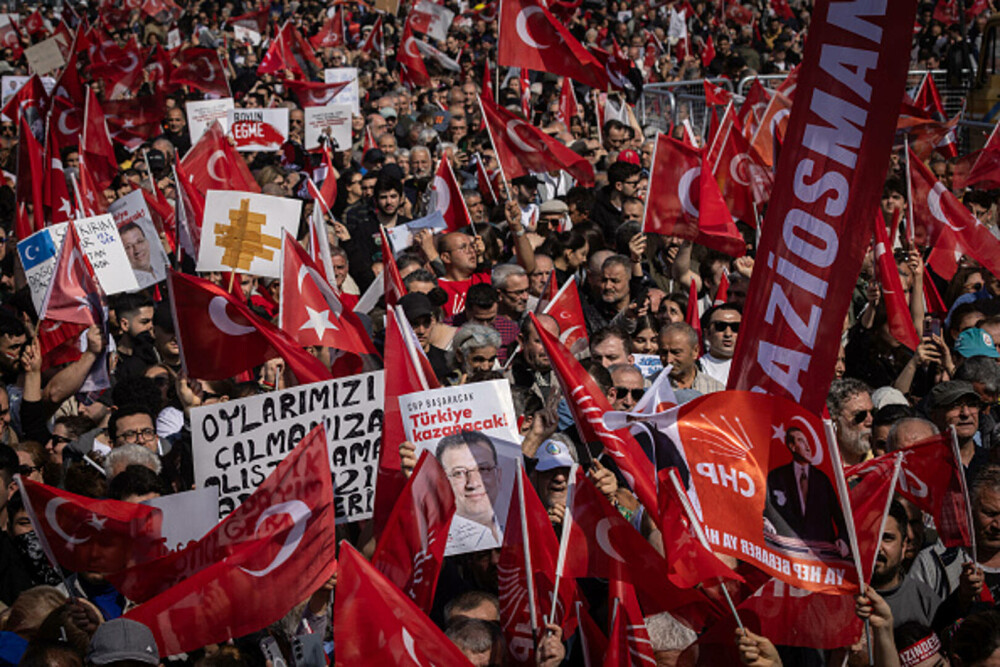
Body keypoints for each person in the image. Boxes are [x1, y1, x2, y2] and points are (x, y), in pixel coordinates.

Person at [763, 426, 850, 559]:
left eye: (808, 442)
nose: (808, 448)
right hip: (787, 557)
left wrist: (843, 540)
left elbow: (839, 517)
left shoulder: (822, 479)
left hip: (821, 559)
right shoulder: (776, 477)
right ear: (792, 446)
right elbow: (764, 511)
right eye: (802, 442)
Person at [436, 431, 504, 551]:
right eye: (458, 473)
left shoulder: (516, 528)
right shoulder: (437, 547)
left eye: (483, 469)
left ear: (498, 476)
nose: (473, 483)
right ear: (442, 482)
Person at [118, 223, 164, 288]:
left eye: (139, 241)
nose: (137, 250)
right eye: (128, 247)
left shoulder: (161, 272)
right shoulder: (131, 287)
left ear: (147, 242)